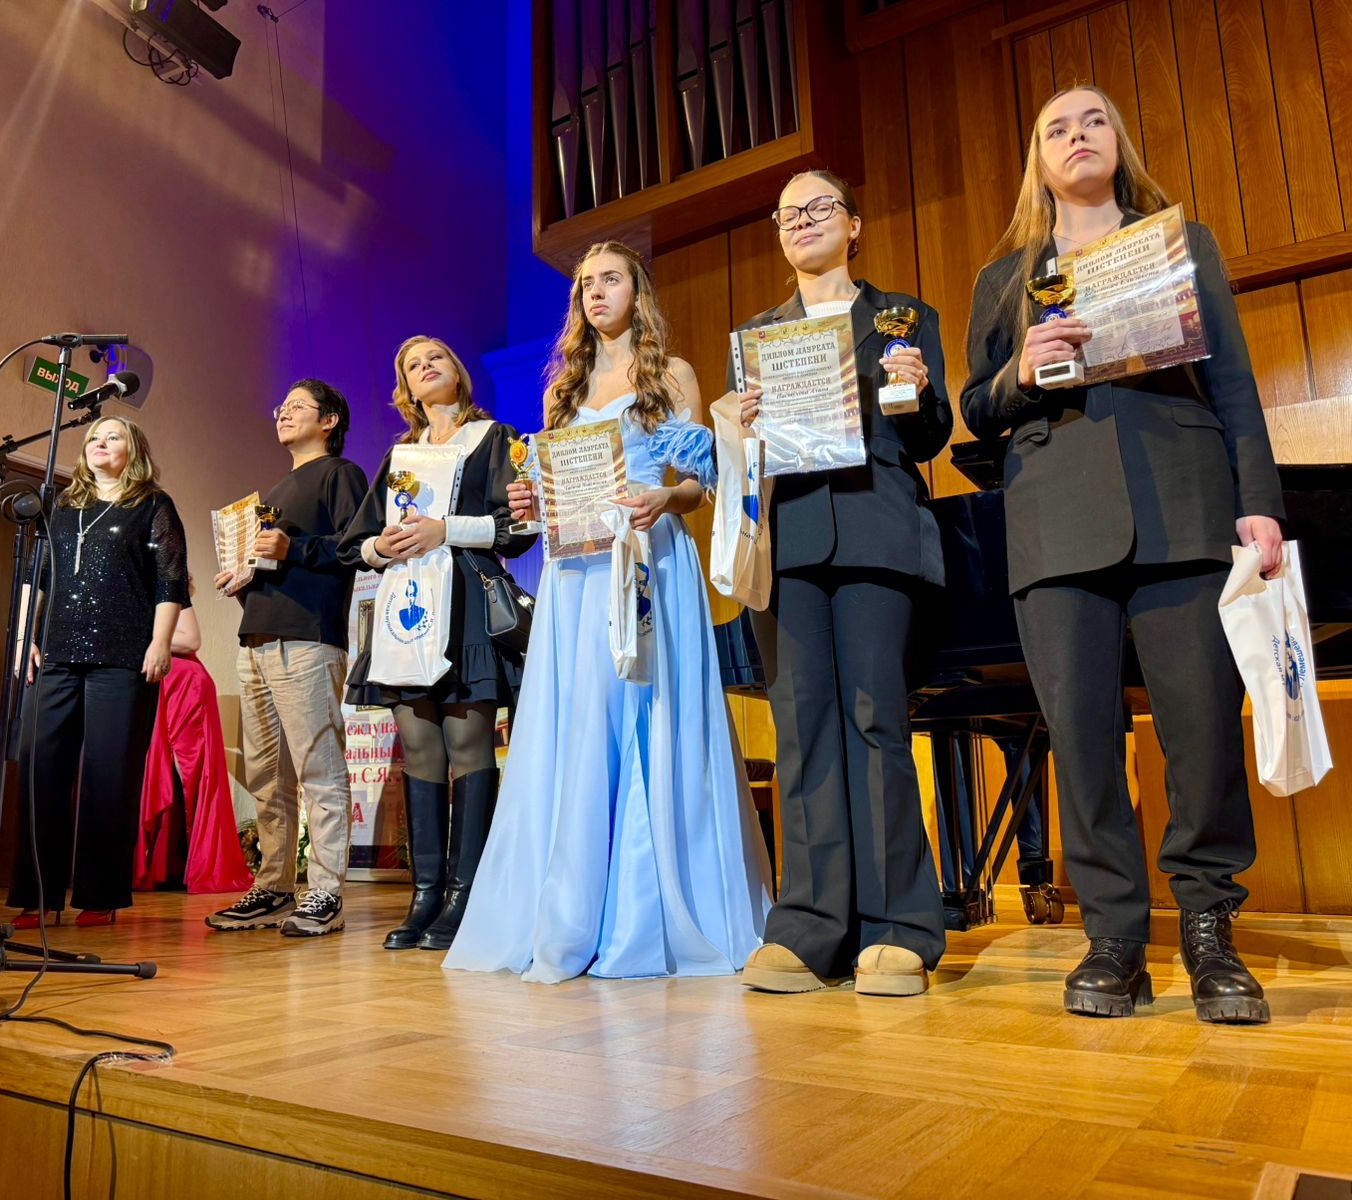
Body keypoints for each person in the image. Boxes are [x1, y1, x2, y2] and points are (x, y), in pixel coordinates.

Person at [962, 86, 1284, 1024]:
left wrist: (1260, 505)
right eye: (1056, 128)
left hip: (1184, 505)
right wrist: (1021, 371)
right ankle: (1112, 939)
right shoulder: (1005, 279)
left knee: (1203, 730)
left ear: (1119, 142)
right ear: (1039, 159)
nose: (1077, 136)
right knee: (1082, 741)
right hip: (1056, 522)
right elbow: (975, 411)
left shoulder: (1183, 245)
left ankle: (1210, 929)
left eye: (1093, 120)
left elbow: (1234, 381)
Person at [443, 241, 772, 984]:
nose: (595, 292)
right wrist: (530, 501)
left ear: (637, 291)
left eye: (610, 279)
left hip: (649, 558)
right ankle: (576, 909)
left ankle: (653, 908)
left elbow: (698, 486)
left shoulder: (671, 374)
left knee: (649, 711)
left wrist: (664, 497)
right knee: (585, 719)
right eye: (586, 283)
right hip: (575, 574)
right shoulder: (563, 389)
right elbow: (550, 494)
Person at [725, 171, 953, 997]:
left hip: (874, 532)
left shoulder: (901, 317)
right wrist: (736, 427)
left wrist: (914, 394)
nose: (803, 221)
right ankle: (810, 924)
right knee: (801, 728)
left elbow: (929, 437)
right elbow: (745, 460)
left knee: (874, 721)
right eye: (789, 213)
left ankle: (898, 927)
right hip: (787, 544)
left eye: (820, 207)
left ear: (853, 225)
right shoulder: (757, 335)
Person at [338, 336, 534, 951]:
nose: (426, 367)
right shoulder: (400, 454)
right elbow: (355, 544)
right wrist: (381, 546)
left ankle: (466, 896)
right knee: (420, 748)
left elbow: (519, 529)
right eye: (412, 365)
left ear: (458, 372)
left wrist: (443, 529)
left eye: (436, 358)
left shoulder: (495, 439)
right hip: (406, 611)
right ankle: (425, 895)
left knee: (468, 744)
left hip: (468, 603)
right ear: (406, 388)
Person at [10, 415, 189, 928]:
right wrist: (23, 639)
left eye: (113, 436)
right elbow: (36, 577)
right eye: (93, 437)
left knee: (110, 776)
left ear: (134, 450)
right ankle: (38, 895)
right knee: (41, 770)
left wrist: (159, 643)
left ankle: (99, 895)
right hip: (56, 653)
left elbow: (170, 581)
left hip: (123, 657)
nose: (99, 443)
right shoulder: (61, 507)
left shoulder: (152, 505)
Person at [205, 379, 368, 936]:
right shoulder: (276, 489)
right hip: (256, 637)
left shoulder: (340, 474)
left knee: (319, 769)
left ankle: (325, 891)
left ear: (329, 420)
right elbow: (280, 565)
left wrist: (291, 547)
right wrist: (244, 577)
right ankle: (274, 886)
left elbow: (358, 547)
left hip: (308, 638)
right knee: (268, 777)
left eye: (298, 406)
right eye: (282, 407)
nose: (284, 413)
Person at [135, 595, 253, 896]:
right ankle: (163, 867)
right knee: (155, 774)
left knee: (195, 776)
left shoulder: (171, 587)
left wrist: (139, 635)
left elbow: (191, 640)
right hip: (156, 682)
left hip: (183, 684)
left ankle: (204, 864)